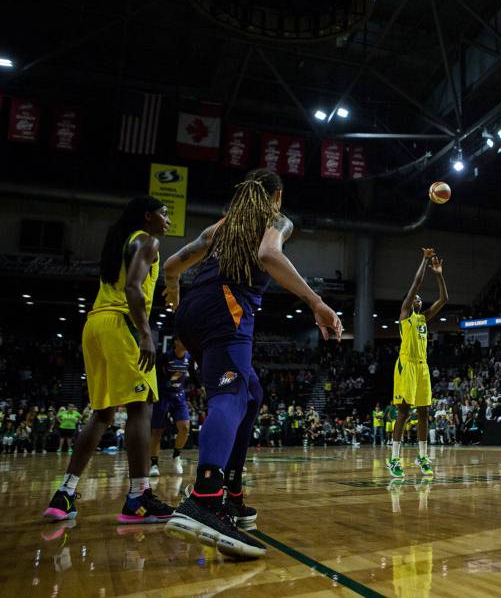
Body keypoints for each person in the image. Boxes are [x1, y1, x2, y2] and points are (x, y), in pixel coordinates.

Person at [162, 169, 343, 558]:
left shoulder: (219, 228)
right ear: (276, 196)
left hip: (191, 313)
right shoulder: (275, 220)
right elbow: (268, 254)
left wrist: (174, 287)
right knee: (231, 394)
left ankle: (232, 491)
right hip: (225, 309)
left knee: (251, 392)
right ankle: (205, 498)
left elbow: (172, 265)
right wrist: (316, 302)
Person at [42, 197, 175, 524]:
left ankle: (65, 494)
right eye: (164, 213)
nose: (168, 219)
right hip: (122, 324)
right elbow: (133, 288)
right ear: (148, 216)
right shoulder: (147, 240)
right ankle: (138, 497)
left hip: (95, 325)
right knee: (140, 407)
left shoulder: (120, 242)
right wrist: (146, 333)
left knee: (102, 413)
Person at [387, 249, 448, 479]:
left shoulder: (424, 318)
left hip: (422, 367)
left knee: (424, 412)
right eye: (415, 298)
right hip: (406, 365)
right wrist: (424, 260)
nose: (418, 300)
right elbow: (417, 282)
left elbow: (444, 300)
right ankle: (393, 458)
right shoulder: (405, 315)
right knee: (403, 412)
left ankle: (422, 456)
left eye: (421, 299)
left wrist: (439, 275)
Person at [150, 338, 193, 476]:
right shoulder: (165, 357)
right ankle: (154, 465)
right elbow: (155, 376)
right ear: (176, 342)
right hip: (163, 396)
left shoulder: (189, 358)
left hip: (179, 396)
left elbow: (192, 375)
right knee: (157, 432)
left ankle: (176, 456)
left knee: (185, 427)